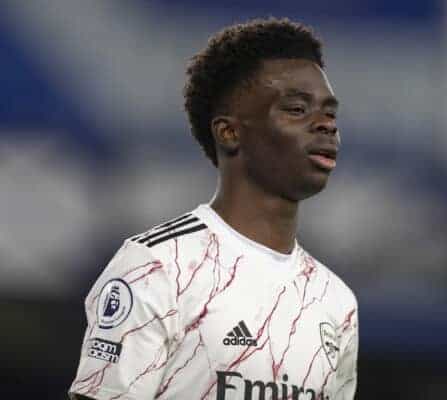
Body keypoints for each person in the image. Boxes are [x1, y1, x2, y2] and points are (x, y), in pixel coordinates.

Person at [69, 17, 358, 400]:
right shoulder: (157, 266)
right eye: (297, 109)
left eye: (330, 113)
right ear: (230, 132)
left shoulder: (336, 303)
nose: (325, 126)